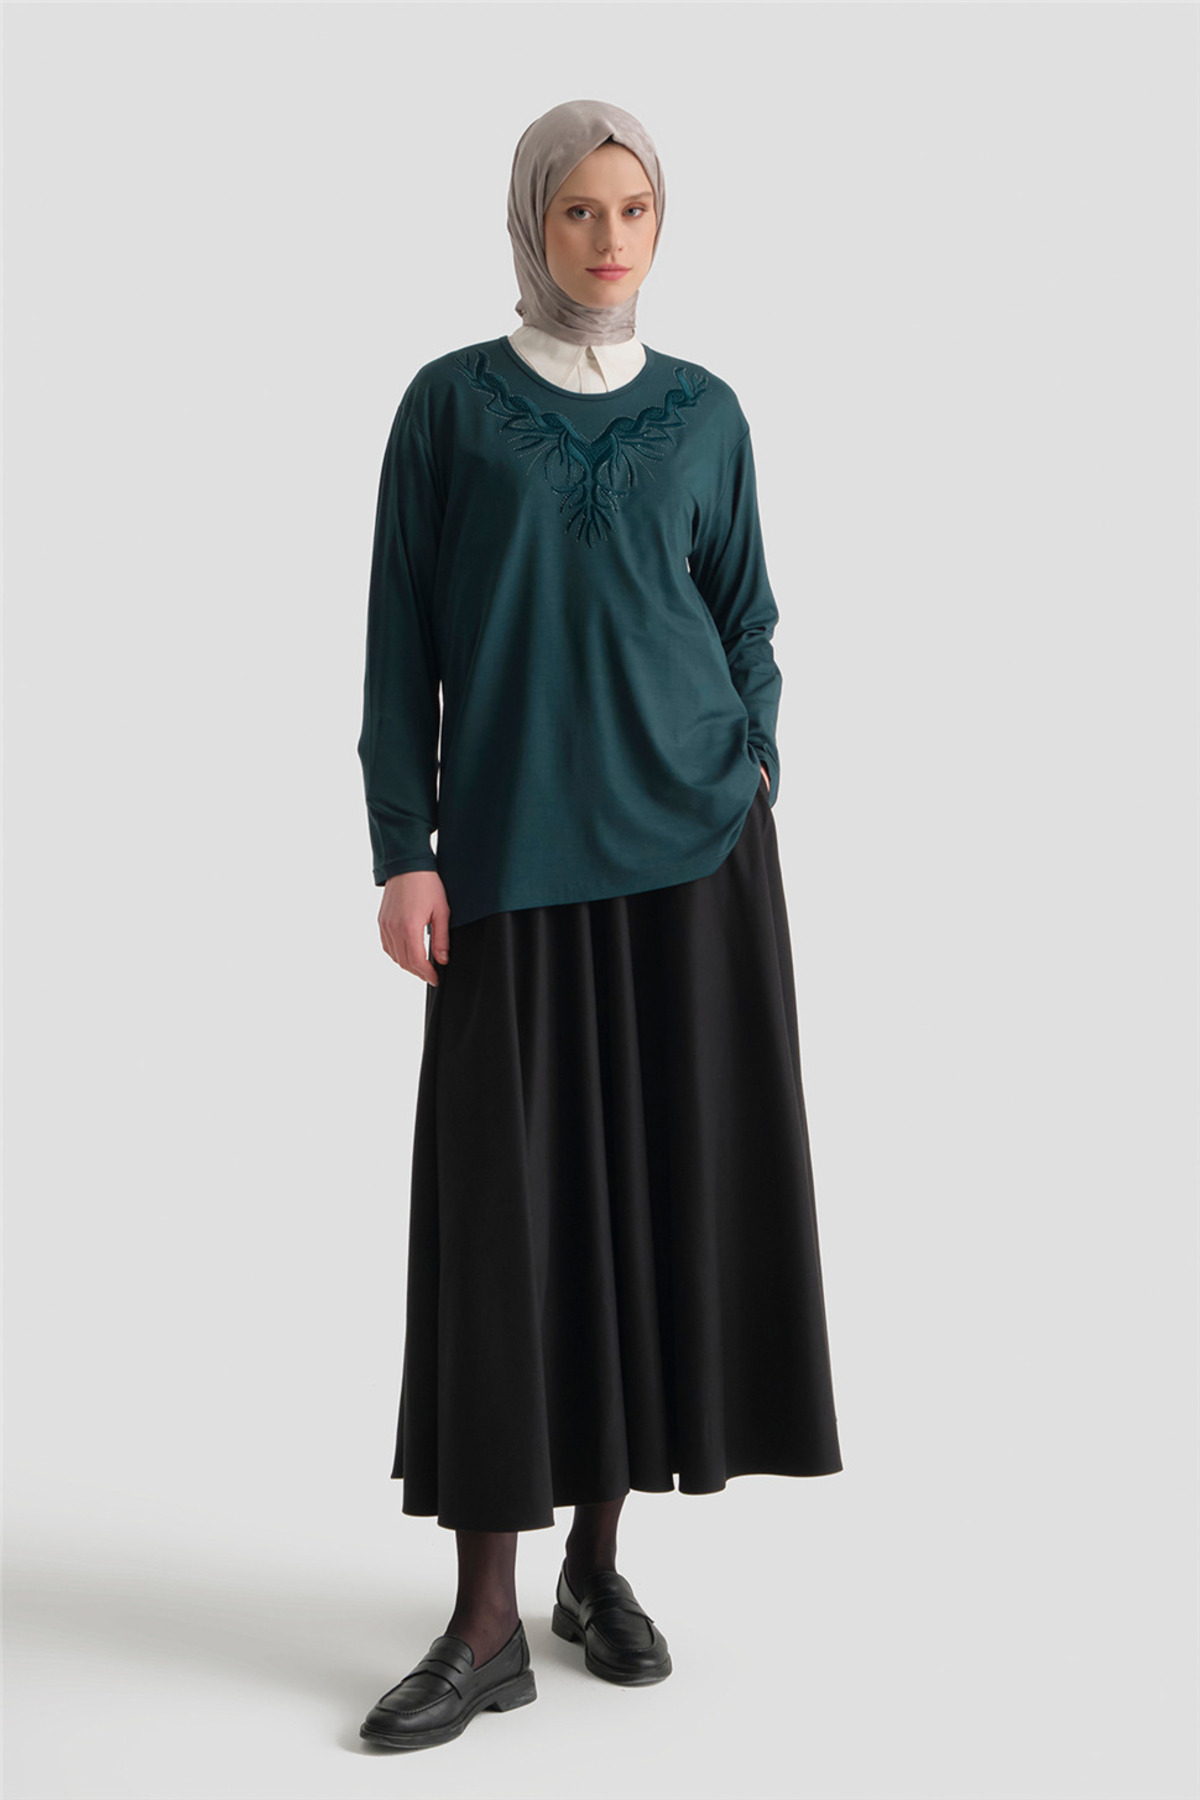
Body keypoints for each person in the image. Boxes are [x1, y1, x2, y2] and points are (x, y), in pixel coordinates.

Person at [355, 98, 843, 1755]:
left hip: (693, 862)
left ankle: (596, 1569)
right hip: (509, 866)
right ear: (530, 221)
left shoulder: (706, 414)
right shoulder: (450, 407)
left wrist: (752, 751)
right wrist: (405, 851)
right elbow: (397, 647)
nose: (609, 237)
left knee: (650, 1202)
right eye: (577, 209)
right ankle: (483, 1620)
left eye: (633, 207)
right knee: (509, 1226)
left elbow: (748, 614)